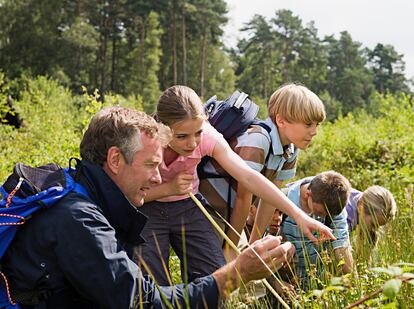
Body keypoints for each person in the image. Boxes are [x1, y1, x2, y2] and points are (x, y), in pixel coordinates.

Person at [1, 106, 296, 308]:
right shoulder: (78, 220)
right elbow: (144, 303)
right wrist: (236, 274)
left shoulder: (79, 188)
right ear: (115, 160)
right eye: (151, 165)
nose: (158, 177)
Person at [137, 85, 334, 286]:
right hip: (148, 207)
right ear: (162, 128)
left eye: (197, 133)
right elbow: (128, 193)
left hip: (189, 205)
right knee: (151, 281)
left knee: (215, 275)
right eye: (182, 137)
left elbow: (248, 177)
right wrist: (168, 189)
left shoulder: (207, 136)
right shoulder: (145, 142)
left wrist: (299, 216)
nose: (193, 143)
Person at [198, 83, 326, 252]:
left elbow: (269, 201)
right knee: (220, 267)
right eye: (308, 124)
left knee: (247, 268)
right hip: (209, 208)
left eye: (317, 124)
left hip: (230, 212)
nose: (314, 131)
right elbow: (243, 198)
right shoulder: (258, 140)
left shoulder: (290, 150)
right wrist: (231, 249)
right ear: (281, 121)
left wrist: (254, 246)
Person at [280, 171, 353, 286]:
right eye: (319, 213)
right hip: (288, 282)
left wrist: (354, 286)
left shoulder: (334, 202)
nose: (322, 218)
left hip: (319, 283)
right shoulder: (282, 200)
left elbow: (342, 247)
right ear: (308, 194)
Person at [346, 185, 396, 257]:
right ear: (361, 207)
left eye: (378, 226)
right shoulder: (346, 215)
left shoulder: (362, 199)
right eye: (373, 224)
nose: (373, 229)